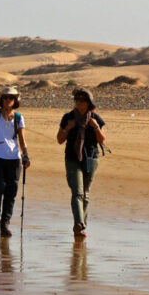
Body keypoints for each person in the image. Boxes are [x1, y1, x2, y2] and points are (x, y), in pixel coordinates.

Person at [56, 88, 106, 238]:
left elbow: (102, 140)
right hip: (72, 158)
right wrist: (67, 128)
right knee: (77, 192)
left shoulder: (95, 118)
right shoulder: (68, 117)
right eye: (76, 100)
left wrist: (96, 126)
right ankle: (79, 223)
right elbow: (59, 139)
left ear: (88, 103)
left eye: (81, 100)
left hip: (91, 158)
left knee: (85, 193)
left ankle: (81, 226)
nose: (78, 103)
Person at [0, 86, 30, 237]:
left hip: (14, 159)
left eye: (11, 98)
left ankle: (5, 223)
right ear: (1, 99)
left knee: (11, 191)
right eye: (5, 97)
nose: (7, 100)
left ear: (16, 100)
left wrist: (26, 155)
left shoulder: (18, 117)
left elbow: (22, 140)